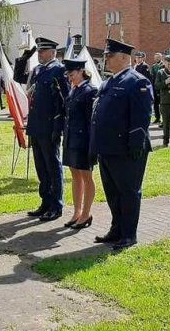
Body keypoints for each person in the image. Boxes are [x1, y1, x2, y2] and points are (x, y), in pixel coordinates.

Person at [90, 38, 153, 251]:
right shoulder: (109, 82)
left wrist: (135, 143)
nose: (106, 59)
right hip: (108, 148)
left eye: (110, 56)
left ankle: (128, 234)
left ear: (125, 58)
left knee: (128, 192)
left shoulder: (137, 81)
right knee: (112, 193)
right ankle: (116, 229)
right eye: (106, 56)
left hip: (127, 149)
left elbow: (142, 116)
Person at [24, 37, 69, 221]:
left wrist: (58, 126)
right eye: (39, 51)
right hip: (36, 124)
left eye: (43, 51)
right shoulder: (38, 70)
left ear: (53, 52)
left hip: (50, 125)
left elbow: (64, 99)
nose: (40, 54)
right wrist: (21, 60)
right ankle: (45, 201)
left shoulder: (59, 70)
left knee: (52, 166)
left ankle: (56, 205)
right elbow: (22, 82)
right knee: (41, 167)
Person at [62, 58, 97, 230]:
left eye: (72, 74)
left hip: (83, 140)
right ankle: (77, 212)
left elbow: (92, 121)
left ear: (81, 71)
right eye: (68, 75)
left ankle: (86, 213)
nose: (70, 78)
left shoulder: (90, 91)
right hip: (71, 138)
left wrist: (92, 144)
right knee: (75, 176)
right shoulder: (74, 90)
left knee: (86, 176)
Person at [151, 52, 163, 123]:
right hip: (154, 87)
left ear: (161, 58)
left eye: (158, 57)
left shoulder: (163, 65)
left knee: (162, 103)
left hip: (161, 87)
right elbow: (152, 77)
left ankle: (163, 118)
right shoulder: (153, 66)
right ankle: (157, 117)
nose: (156, 59)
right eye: (155, 58)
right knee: (155, 104)